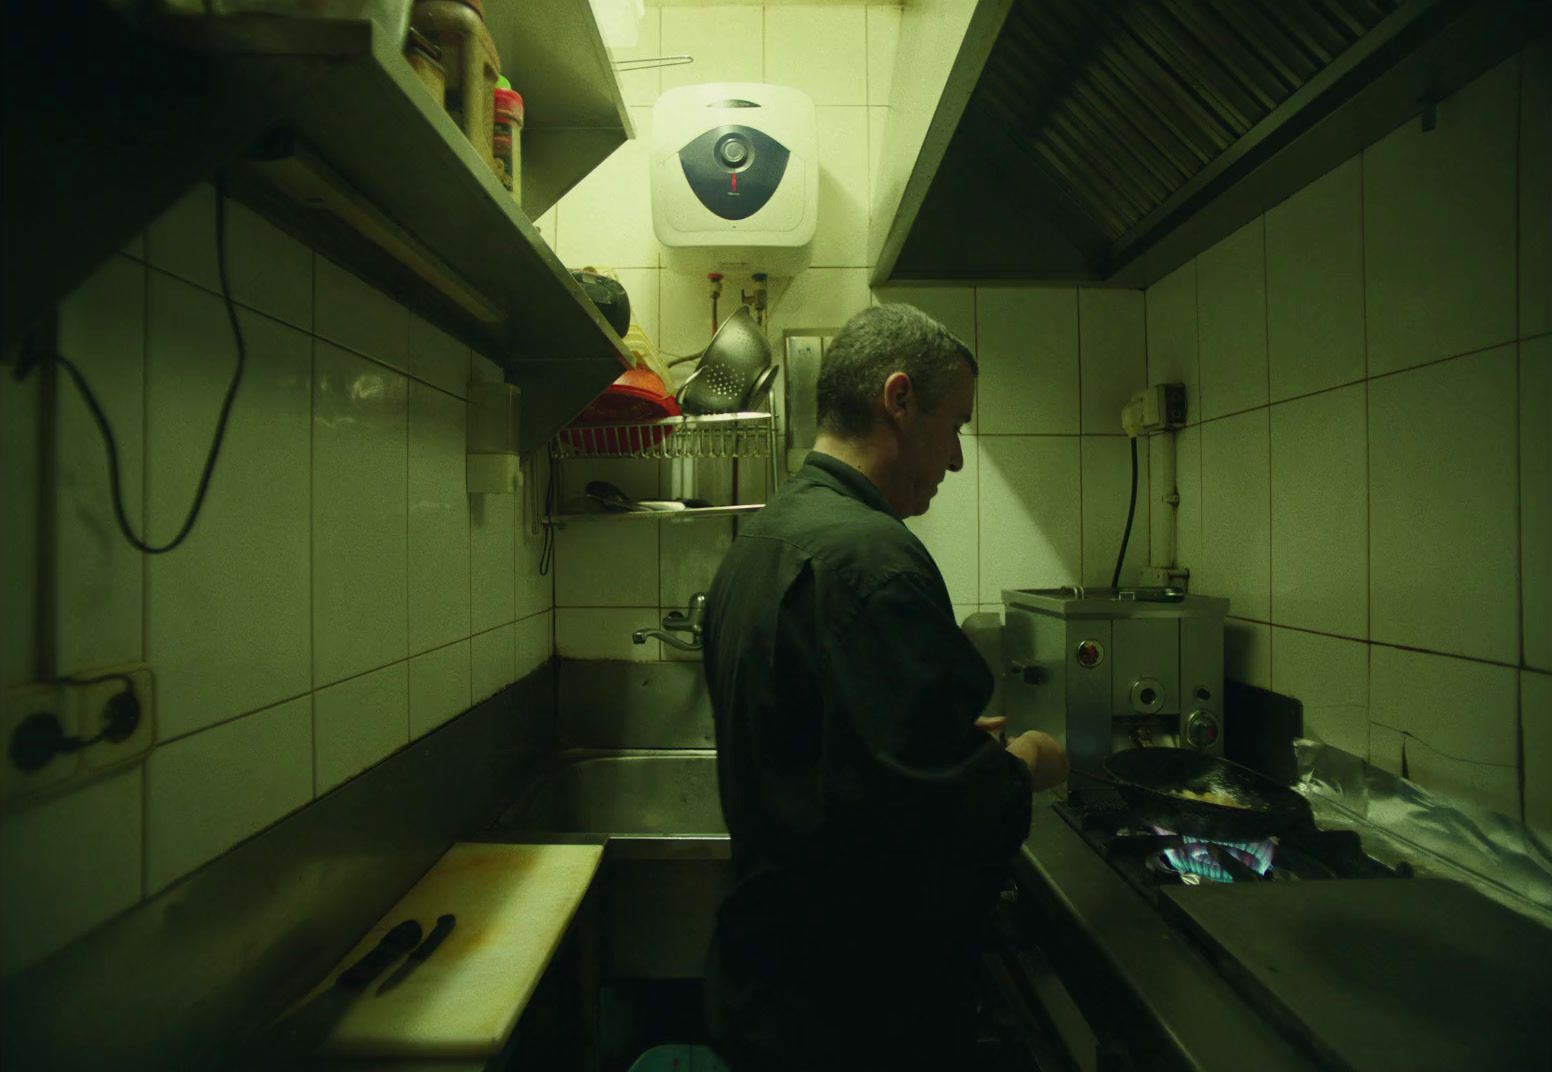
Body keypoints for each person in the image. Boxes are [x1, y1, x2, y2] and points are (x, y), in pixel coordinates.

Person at [700, 303, 1069, 1070]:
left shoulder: (763, 537)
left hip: (768, 988)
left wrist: (941, 746)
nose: (958, 460)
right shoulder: (875, 561)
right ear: (898, 400)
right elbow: (936, 824)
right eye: (957, 425)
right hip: (853, 1015)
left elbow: (830, 758)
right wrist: (1025, 763)